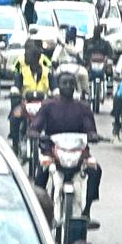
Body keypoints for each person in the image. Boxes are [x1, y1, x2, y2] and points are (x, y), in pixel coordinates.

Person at [28, 72, 102, 226]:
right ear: (58, 86)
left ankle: (86, 211)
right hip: (52, 150)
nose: (68, 86)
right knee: (41, 172)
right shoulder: (48, 106)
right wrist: (36, 133)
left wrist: (93, 135)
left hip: (78, 152)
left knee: (95, 170)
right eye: (64, 83)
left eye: (70, 83)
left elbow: (90, 129)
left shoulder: (83, 108)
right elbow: (35, 126)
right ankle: (39, 210)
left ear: (75, 86)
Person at [9, 40, 50, 155]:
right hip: (25, 103)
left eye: (28, 54)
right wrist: (15, 91)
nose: (25, 56)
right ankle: (15, 144)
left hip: (44, 104)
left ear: (36, 57)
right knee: (14, 117)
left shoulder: (46, 68)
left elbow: (52, 74)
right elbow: (15, 75)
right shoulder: (21, 69)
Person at [52, 26, 90, 99]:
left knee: (84, 73)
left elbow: (75, 51)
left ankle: (85, 92)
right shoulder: (61, 44)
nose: (69, 38)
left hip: (76, 66)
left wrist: (64, 45)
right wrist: (54, 61)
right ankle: (56, 92)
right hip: (63, 66)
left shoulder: (79, 42)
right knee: (55, 74)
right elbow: (55, 55)